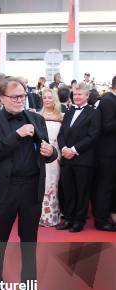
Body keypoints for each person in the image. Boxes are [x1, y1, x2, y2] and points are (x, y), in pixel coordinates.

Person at [0, 77, 57, 290]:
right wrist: (16, 135)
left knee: (29, 240)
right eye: (14, 97)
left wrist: (50, 151)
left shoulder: (36, 118)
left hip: (32, 188)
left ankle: (28, 285)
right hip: (4, 189)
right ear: (2, 98)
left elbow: (49, 153)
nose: (19, 100)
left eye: (22, 96)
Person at [56, 83, 100, 232]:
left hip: (84, 160)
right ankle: (68, 218)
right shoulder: (69, 111)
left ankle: (79, 221)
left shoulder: (94, 112)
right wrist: (63, 149)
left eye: (80, 94)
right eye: (75, 94)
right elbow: (61, 133)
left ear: (87, 96)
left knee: (82, 192)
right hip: (67, 159)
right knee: (68, 190)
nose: (77, 97)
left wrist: (74, 150)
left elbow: (93, 136)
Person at [91, 75, 116, 231]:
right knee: (105, 186)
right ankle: (100, 220)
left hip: (112, 152)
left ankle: (109, 215)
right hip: (107, 153)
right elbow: (106, 126)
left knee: (111, 187)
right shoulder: (108, 100)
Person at [39, 87, 64, 227]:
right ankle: (41, 216)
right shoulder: (37, 115)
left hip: (56, 156)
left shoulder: (62, 116)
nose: (47, 100)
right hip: (41, 154)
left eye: (50, 97)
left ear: (54, 99)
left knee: (53, 184)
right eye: (45, 97)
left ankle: (53, 215)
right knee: (42, 183)